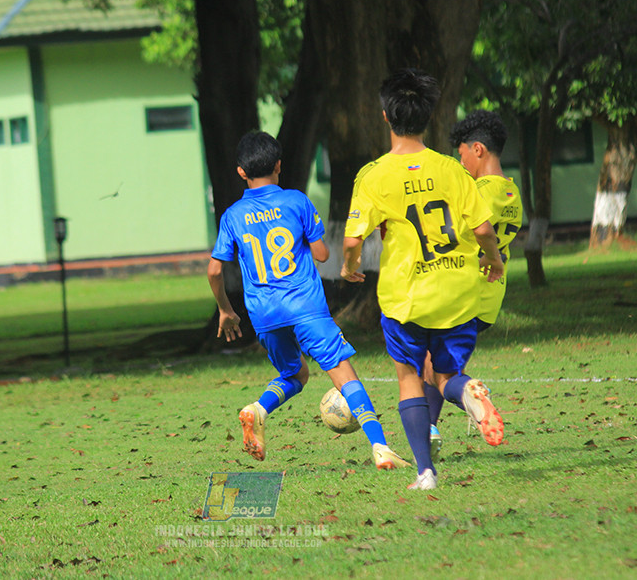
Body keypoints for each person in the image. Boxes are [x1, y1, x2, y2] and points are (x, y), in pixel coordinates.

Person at [341, 68, 505, 490]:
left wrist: (348, 265)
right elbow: (484, 231)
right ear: (428, 118)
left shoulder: (374, 175)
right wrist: (495, 262)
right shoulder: (452, 169)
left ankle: (425, 473)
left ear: (384, 117)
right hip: (458, 291)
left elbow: (352, 238)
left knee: (410, 377)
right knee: (447, 377)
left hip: (407, 297)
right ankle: (468, 392)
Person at [208, 130, 410, 470]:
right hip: (306, 308)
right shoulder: (297, 201)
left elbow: (215, 271)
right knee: (345, 375)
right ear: (279, 165)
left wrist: (226, 310)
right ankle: (380, 448)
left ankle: (258, 409)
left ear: (241, 172)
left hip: (264, 314)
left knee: (296, 375)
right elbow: (320, 253)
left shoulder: (232, 215)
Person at [425, 110, 524, 455]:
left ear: (477, 149)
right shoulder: (511, 193)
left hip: (464, 294)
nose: (460, 160)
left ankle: (461, 411)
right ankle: (431, 432)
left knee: (433, 367)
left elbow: (458, 235)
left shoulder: (479, 190)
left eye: (461, 153)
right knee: (440, 365)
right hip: (489, 299)